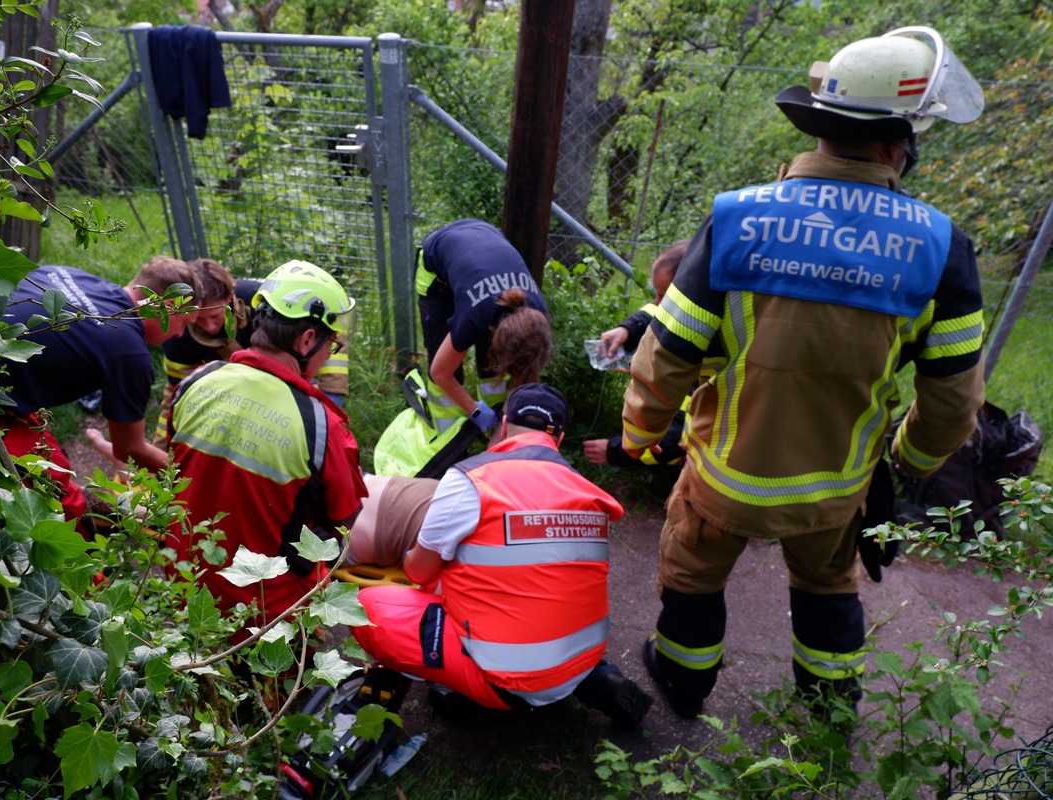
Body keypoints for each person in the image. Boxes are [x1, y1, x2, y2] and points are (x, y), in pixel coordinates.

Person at [621, 26, 986, 720]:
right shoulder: (942, 247)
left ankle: (683, 683)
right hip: (835, 489)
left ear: (821, 129)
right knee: (827, 589)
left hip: (722, 478)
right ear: (893, 145)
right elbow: (951, 405)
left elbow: (667, 354)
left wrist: (640, 431)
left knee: (693, 572)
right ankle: (828, 708)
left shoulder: (736, 218)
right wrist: (906, 460)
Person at [351, 383, 653, 730]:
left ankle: (481, 699)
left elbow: (419, 571)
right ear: (560, 437)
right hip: (583, 656)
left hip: (513, 680)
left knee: (368, 608)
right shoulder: (590, 497)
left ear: (505, 425)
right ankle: (596, 681)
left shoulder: (470, 479)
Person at [165, 259, 365, 626]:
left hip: (182, 587)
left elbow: (175, 471)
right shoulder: (321, 427)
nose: (327, 357)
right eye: (329, 348)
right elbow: (340, 528)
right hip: (264, 613)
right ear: (307, 340)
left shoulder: (197, 381)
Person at [0, 257, 199, 520]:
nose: (181, 335)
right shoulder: (129, 353)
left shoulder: (74, 274)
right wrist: (191, 473)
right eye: (185, 323)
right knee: (65, 503)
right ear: (167, 307)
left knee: (52, 457)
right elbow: (128, 449)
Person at [151, 257, 350, 448]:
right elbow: (174, 396)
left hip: (296, 370)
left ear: (230, 298)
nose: (209, 327)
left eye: (215, 316)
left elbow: (328, 335)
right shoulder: (180, 335)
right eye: (199, 320)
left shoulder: (259, 302)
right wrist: (159, 454)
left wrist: (331, 403)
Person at [416, 219, 553, 438]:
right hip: (438, 263)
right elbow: (440, 372)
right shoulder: (473, 317)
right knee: (443, 362)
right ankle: (448, 438)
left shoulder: (538, 315)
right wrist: (475, 410)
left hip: (483, 238)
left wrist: (511, 416)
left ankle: (496, 431)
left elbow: (528, 373)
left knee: (492, 370)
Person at [583, 239, 691, 469]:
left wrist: (616, 452)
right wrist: (627, 329)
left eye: (664, 296)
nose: (657, 302)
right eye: (656, 293)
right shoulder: (688, 307)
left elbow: (678, 439)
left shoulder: (707, 353)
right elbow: (655, 311)